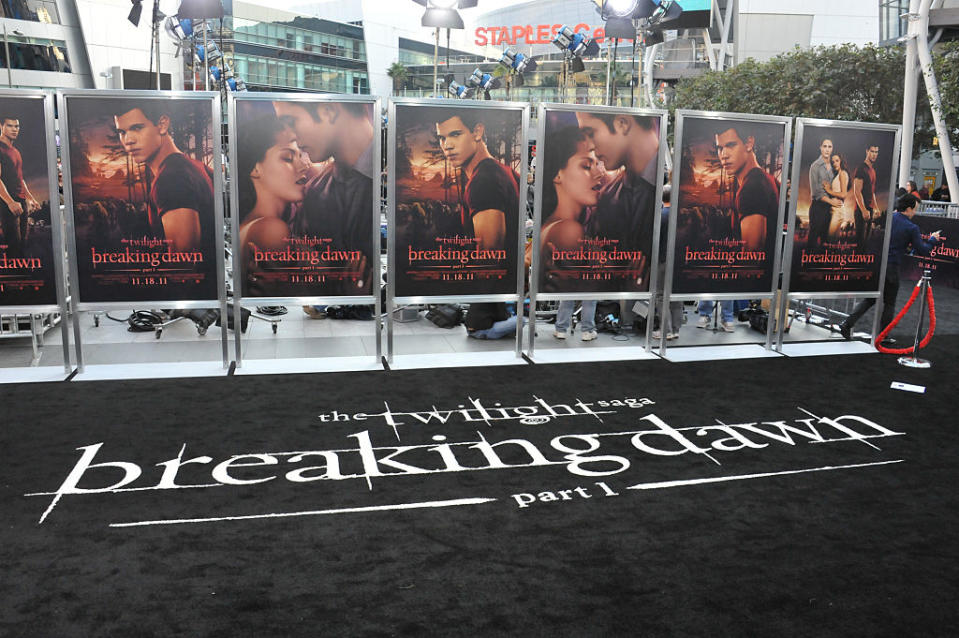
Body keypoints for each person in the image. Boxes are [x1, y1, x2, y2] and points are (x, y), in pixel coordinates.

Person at [271, 100, 375, 293]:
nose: (291, 136)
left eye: (291, 121)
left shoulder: (402, 176)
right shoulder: (314, 194)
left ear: (328, 111)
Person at [839, 193, 940, 341]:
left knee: (870, 299)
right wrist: (932, 240)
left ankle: (847, 323)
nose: (915, 212)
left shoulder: (889, 219)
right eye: (915, 209)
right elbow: (923, 250)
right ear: (908, 208)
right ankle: (883, 335)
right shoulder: (912, 227)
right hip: (892, 267)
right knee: (890, 302)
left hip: (876, 263)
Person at [574, 111, 658, 290]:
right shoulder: (607, 198)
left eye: (590, 133)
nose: (589, 145)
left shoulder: (682, 188)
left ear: (622, 124)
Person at [114, 103, 214, 252]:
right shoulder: (197, 166)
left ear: (162, 124)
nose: (128, 140)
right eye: (122, 132)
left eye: (137, 128)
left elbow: (183, 262)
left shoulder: (172, 178)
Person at [538, 126, 605, 341]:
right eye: (586, 165)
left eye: (598, 163)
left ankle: (562, 327)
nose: (599, 173)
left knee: (569, 294)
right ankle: (587, 328)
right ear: (558, 174)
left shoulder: (565, 221)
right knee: (587, 293)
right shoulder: (568, 227)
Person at [434, 110, 519, 251]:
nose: (447, 145)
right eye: (442, 138)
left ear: (477, 132)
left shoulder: (484, 181)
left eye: (455, 134)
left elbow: (489, 258)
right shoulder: (505, 171)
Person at [236, 115, 311, 272]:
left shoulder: (254, 225)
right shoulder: (271, 230)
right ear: (255, 169)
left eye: (300, 155)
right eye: (288, 158)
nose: (304, 165)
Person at [714, 125, 780, 252]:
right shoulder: (767, 179)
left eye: (731, 145)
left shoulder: (752, 187)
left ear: (749, 143)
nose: (723, 155)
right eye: (719, 148)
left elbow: (751, 257)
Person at [0, 116, 41, 257]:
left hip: (21, 202)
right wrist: (10, 202)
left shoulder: (16, 152)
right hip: (7, 204)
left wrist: (30, 198)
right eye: (10, 126)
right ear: (1, 127)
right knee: (14, 245)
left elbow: (20, 178)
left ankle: (22, 273)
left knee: (24, 243)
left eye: (16, 126)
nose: (14, 129)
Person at [653, 185, 683, 341]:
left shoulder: (661, 216)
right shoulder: (682, 216)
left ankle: (666, 330)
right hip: (679, 262)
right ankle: (676, 329)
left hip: (663, 261)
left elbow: (655, 241)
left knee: (660, 296)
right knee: (676, 295)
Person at [807, 138, 840, 252]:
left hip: (830, 209)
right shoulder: (815, 166)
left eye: (829, 147)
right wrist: (832, 201)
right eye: (824, 146)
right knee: (812, 243)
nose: (827, 149)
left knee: (826, 244)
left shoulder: (835, 167)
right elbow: (816, 192)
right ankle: (806, 268)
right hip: (818, 208)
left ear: (832, 149)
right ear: (820, 148)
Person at [851, 143, 880, 251]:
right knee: (860, 243)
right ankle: (856, 265)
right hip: (861, 210)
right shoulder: (861, 169)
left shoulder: (873, 171)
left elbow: (872, 192)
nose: (874, 155)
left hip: (870, 209)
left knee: (866, 243)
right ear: (867, 151)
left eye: (876, 152)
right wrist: (863, 210)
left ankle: (862, 264)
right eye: (872, 151)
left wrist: (876, 207)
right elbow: (857, 191)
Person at [823, 153, 852, 239]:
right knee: (833, 240)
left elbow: (843, 194)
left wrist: (828, 190)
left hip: (838, 210)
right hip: (835, 209)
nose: (835, 163)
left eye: (837, 161)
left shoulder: (843, 173)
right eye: (833, 162)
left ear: (841, 161)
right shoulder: (838, 175)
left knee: (830, 238)